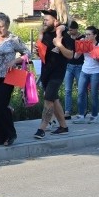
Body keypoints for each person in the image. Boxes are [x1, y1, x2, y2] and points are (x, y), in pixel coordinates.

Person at [0, 12, 29, 146]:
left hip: (9, 76)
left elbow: (27, 53)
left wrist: (15, 60)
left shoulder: (13, 39)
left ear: (7, 25)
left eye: (1, 27)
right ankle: (0, 136)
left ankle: (10, 134)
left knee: (1, 105)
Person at [33, 9, 74, 139]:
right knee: (54, 99)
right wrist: (37, 50)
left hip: (57, 73)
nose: (44, 21)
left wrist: (60, 45)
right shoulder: (44, 35)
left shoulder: (64, 36)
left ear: (55, 21)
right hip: (46, 72)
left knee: (48, 99)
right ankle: (63, 126)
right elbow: (42, 54)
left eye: (47, 19)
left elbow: (70, 55)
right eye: (44, 19)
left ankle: (42, 128)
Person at [72, 26, 99, 124]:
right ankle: (81, 115)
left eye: (89, 34)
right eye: (86, 34)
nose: (86, 36)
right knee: (81, 93)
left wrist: (95, 54)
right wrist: (80, 46)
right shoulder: (84, 43)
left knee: (94, 94)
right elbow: (76, 57)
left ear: (95, 35)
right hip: (84, 71)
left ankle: (94, 116)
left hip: (96, 72)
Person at [63, 20, 83, 119]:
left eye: (71, 30)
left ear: (76, 29)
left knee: (81, 90)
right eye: (68, 30)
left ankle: (81, 111)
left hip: (79, 66)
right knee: (67, 90)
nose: (69, 31)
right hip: (69, 66)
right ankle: (67, 111)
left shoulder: (82, 38)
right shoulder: (67, 37)